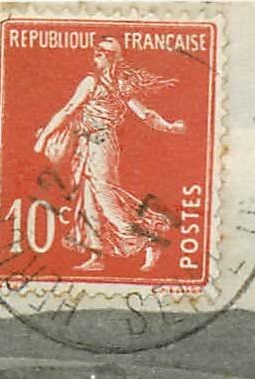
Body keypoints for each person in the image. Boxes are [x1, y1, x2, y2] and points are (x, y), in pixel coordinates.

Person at [32, 36, 186, 271]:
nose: (96, 53)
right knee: (88, 200)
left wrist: (169, 126)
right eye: (96, 50)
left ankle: (150, 238)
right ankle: (96, 256)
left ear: (112, 57)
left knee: (106, 197)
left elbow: (143, 114)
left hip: (101, 144)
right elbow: (70, 110)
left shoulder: (104, 83)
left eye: (101, 51)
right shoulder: (98, 82)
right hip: (86, 144)